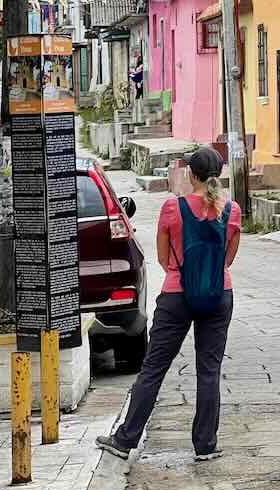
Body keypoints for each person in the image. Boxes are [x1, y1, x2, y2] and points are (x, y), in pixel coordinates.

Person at [97, 146, 241, 462]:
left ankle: (125, 439)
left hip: (176, 295)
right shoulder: (232, 210)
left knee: (154, 368)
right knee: (208, 370)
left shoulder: (172, 208)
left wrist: (183, 275)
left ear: (191, 175)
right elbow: (228, 259)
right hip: (219, 295)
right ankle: (205, 445)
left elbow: (163, 258)